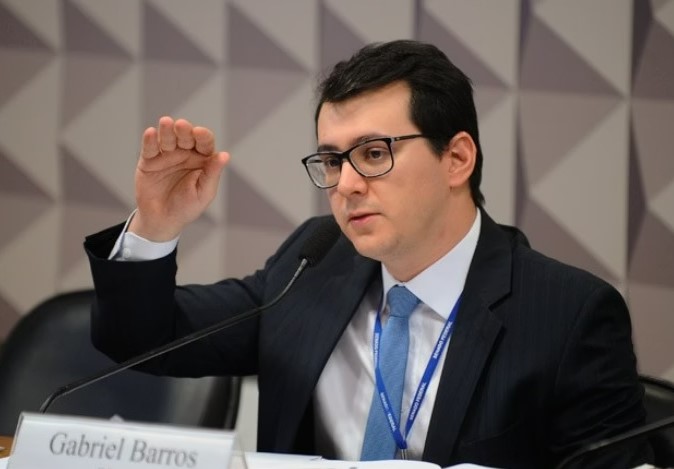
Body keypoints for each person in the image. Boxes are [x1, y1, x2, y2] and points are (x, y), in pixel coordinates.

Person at [84, 40, 650, 468]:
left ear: (457, 159)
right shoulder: (313, 263)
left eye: (374, 153)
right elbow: (141, 338)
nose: (347, 184)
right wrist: (157, 222)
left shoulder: (568, 315)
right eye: (333, 161)